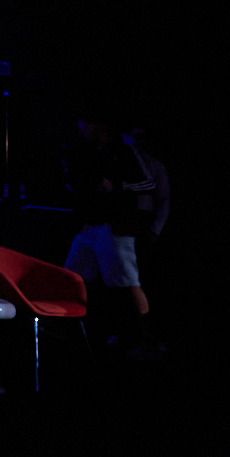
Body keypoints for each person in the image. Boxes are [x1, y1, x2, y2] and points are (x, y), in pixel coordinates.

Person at [64, 115, 157, 353]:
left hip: (115, 227)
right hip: (91, 226)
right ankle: (71, 329)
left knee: (127, 283)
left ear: (98, 125)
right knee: (73, 276)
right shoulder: (91, 152)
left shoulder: (124, 152)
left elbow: (148, 184)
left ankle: (143, 337)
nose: (82, 127)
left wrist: (118, 186)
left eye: (86, 123)